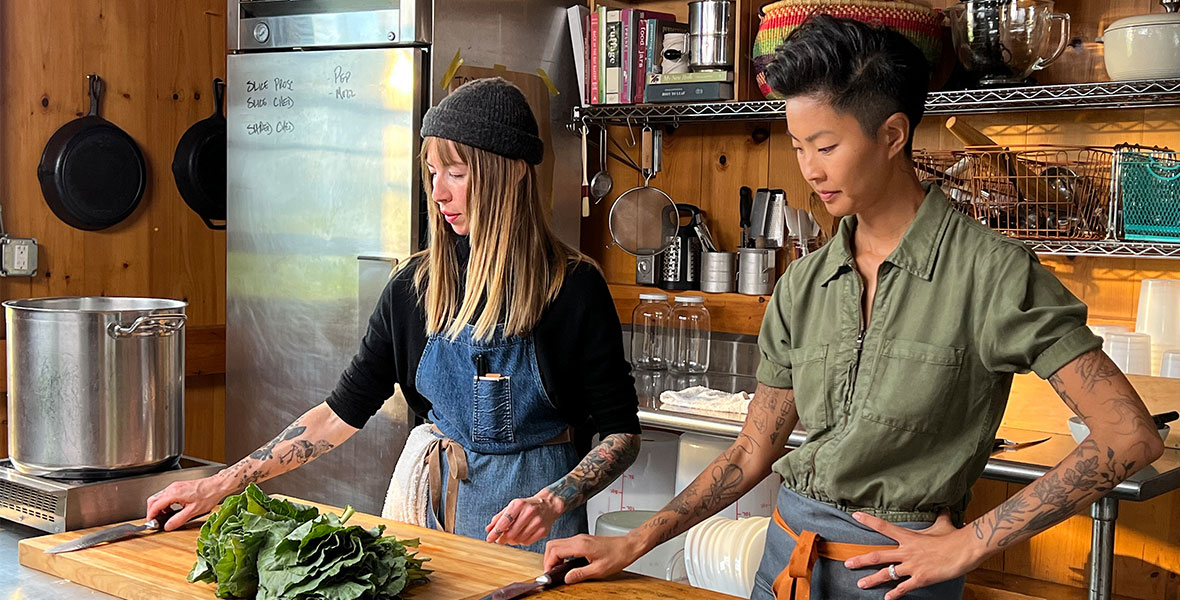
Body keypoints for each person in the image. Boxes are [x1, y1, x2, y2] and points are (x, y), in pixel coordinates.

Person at [543, 15, 1165, 599]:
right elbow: (750, 452)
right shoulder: (804, 281)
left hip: (896, 583)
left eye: (826, 145)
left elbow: (1129, 435)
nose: (809, 169)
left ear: (892, 135)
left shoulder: (993, 273)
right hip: (783, 569)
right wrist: (634, 539)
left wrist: (970, 545)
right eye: (797, 147)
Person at [147, 77, 642, 553]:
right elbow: (339, 414)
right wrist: (221, 484)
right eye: (432, 172)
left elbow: (622, 434)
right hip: (430, 527)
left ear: (511, 171)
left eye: (456, 172)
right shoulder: (414, 287)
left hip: (537, 539)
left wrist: (554, 499)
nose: (439, 193)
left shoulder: (573, 287)